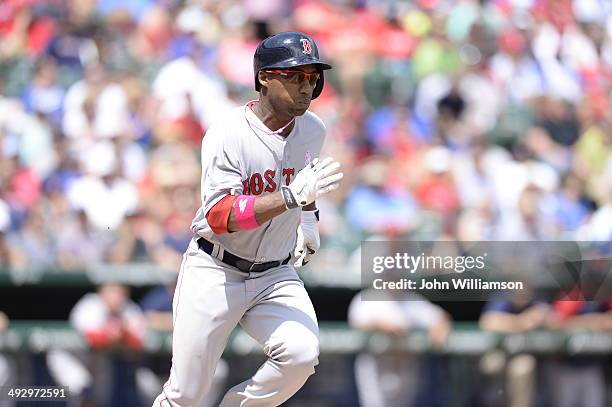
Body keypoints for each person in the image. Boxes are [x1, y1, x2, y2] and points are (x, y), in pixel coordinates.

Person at [152, 31, 343, 407]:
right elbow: (220, 215)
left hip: (275, 273)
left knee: (302, 354)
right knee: (186, 394)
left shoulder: (313, 130)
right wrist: (291, 197)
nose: (306, 86)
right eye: (295, 76)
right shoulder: (228, 132)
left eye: (312, 76)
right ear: (264, 78)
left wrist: (308, 219)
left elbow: (304, 183)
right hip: (216, 269)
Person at [348, 289, 451, 407]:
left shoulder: (411, 300)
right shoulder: (367, 298)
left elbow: (440, 317)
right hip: (377, 363)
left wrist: (439, 326)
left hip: (404, 363)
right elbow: (356, 323)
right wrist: (380, 325)